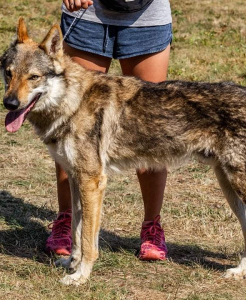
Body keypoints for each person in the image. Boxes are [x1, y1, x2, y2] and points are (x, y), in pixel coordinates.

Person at [45, 0, 172, 261]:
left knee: (151, 130)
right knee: (72, 129)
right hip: (88, 14)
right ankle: (66, 221)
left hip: (147, 17)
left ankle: (152, 227)